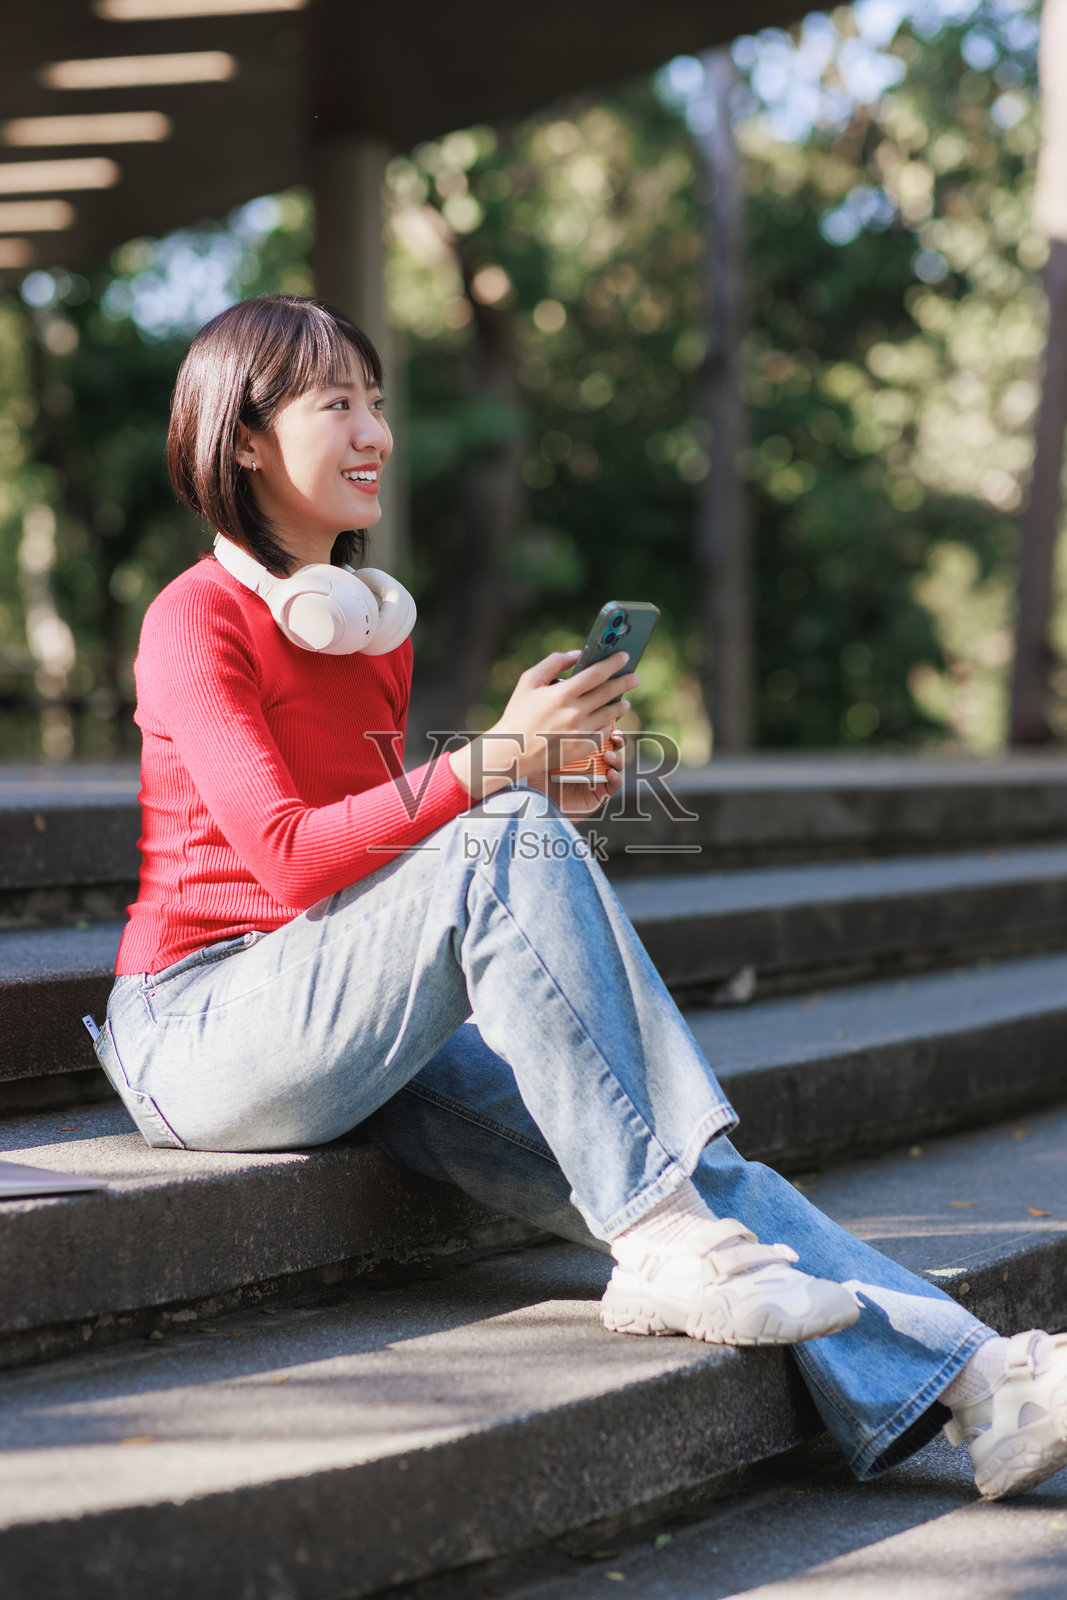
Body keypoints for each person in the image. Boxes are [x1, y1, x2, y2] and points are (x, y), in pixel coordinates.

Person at [94, 294, 1067, 1504]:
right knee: (515, 850)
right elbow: (291, 857)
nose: (375, 431)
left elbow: (380, 864)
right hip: (199, 1031)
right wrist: (495, 764)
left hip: (336, 1015)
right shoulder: (194, 618)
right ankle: (659, 1239)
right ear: (242, 438)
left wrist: (549, 772)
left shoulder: (363, 634)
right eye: (336, 402)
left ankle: (986, 1382)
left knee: (669, 1173)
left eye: (379, 402)